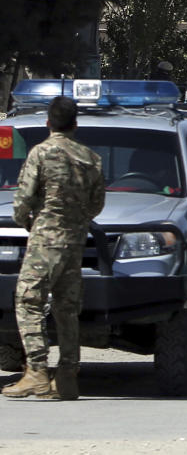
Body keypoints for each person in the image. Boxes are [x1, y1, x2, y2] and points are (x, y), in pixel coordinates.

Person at [2, 96, 105, 401]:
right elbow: (97, 204)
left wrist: (30, 222)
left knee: (28, 301)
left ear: (49, 123)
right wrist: (77, 221)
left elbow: (22, 203)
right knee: (67, 308)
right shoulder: (90, 158)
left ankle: (36, 371)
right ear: (75, 124)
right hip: (75, 241)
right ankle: (67, 376)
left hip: (45, 239)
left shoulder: (41, 153)